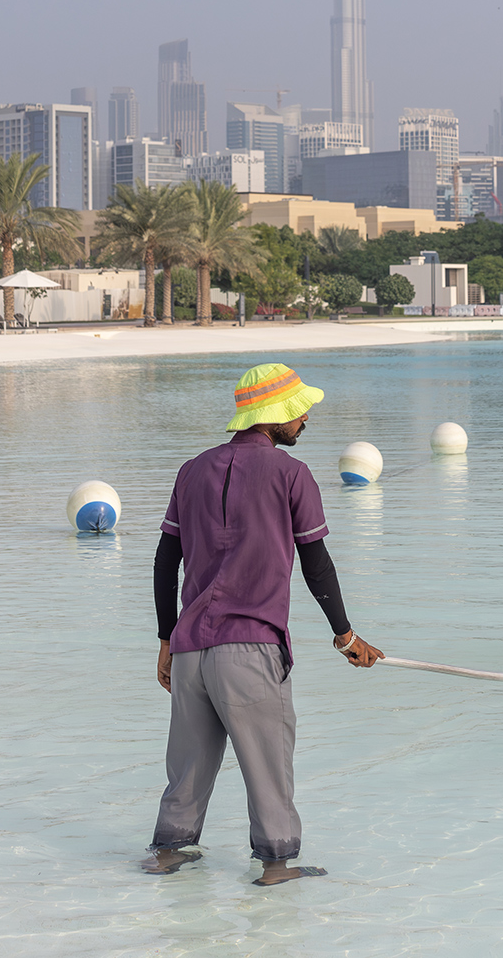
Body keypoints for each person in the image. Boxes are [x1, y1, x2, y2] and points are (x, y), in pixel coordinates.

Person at [144, 363, 383, 885]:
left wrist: (166, 640)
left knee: (187, 771)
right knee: (268, 767)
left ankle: (167, 858)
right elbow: (316, 561)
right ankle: (276, 868)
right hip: (250, 650)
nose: (305, 419)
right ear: (276, 416)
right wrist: (345, 635)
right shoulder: (291, 475)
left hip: (189, 651)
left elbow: (166, 561)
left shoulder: (191, 469)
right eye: (299, 410)